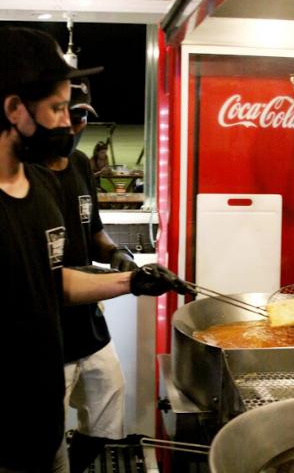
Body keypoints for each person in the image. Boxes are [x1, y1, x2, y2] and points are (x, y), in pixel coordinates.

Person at [0, 25, 192, 473]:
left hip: (42, 434)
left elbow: (52, 283)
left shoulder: (36, 191)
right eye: (57, 109)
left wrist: (131, 279)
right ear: (14, 109)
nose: (68, 123)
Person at [40, 76, 138, 473]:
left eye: (81, 115)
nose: (73, 125)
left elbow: (93, 231)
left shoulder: (81, 165)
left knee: (107, 410)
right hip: (49, 333)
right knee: (45, 437)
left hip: (89, 324)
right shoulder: (24, 176)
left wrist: (118, 253)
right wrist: (129, 283)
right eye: (64, 113)